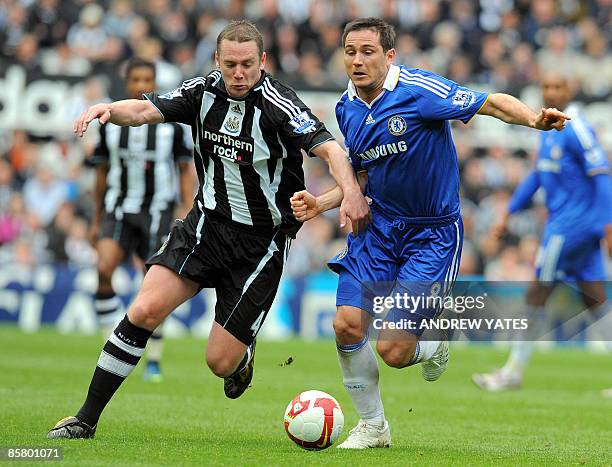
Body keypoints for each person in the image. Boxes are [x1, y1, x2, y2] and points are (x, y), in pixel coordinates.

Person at [47, 20, 369, 440]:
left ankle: (241, 359)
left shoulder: (280, 105)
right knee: (143, 310)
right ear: (217, 60)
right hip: (205, 226)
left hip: (261, 243)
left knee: (219, 361)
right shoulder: (202, 92)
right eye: (231, 64)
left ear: (263, 62)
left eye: (248, 65)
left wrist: (351, 194)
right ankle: (85, 419)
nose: (239, 73)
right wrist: (107, 110)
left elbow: (332, 151)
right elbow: (146, 108)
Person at [291, 18, 570, 449]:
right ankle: (373, 427)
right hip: (377, 229)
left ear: (390, 56)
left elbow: (489, 102)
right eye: (350, 51)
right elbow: (363, 176)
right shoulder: (346, 108)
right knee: (346, 326)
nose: (357, 60)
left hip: (432, 236)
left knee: (394, 351)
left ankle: (434, 343)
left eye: (368, 51)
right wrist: (321, 202)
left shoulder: (420, 91)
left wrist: (533, 119)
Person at [472, 72, 612, 392]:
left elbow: (602, 174)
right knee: (597, 300)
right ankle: (512, 371)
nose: (551, 91)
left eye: (558, 86)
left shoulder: (578, 127)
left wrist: (608, 225)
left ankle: (512, 372)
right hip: (577, 229)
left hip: (569, 228)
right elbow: (537, 175)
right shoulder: (547, 127)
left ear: (569, 88)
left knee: (537, 291)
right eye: (547, 87)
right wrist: (508, 212)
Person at [90, 57, 195, 383]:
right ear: (127, 83)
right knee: (105, 267)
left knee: (153, 285)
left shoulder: (171, 127)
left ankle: (154, 359)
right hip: (119, 207)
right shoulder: (110, 126)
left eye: (146, 79)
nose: (141, 86)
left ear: (154, 83)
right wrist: (96, 217)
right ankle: (111, 338)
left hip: (158, 210)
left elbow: (184, 169)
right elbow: (102, 172)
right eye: (135, 79)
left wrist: (186, 207)